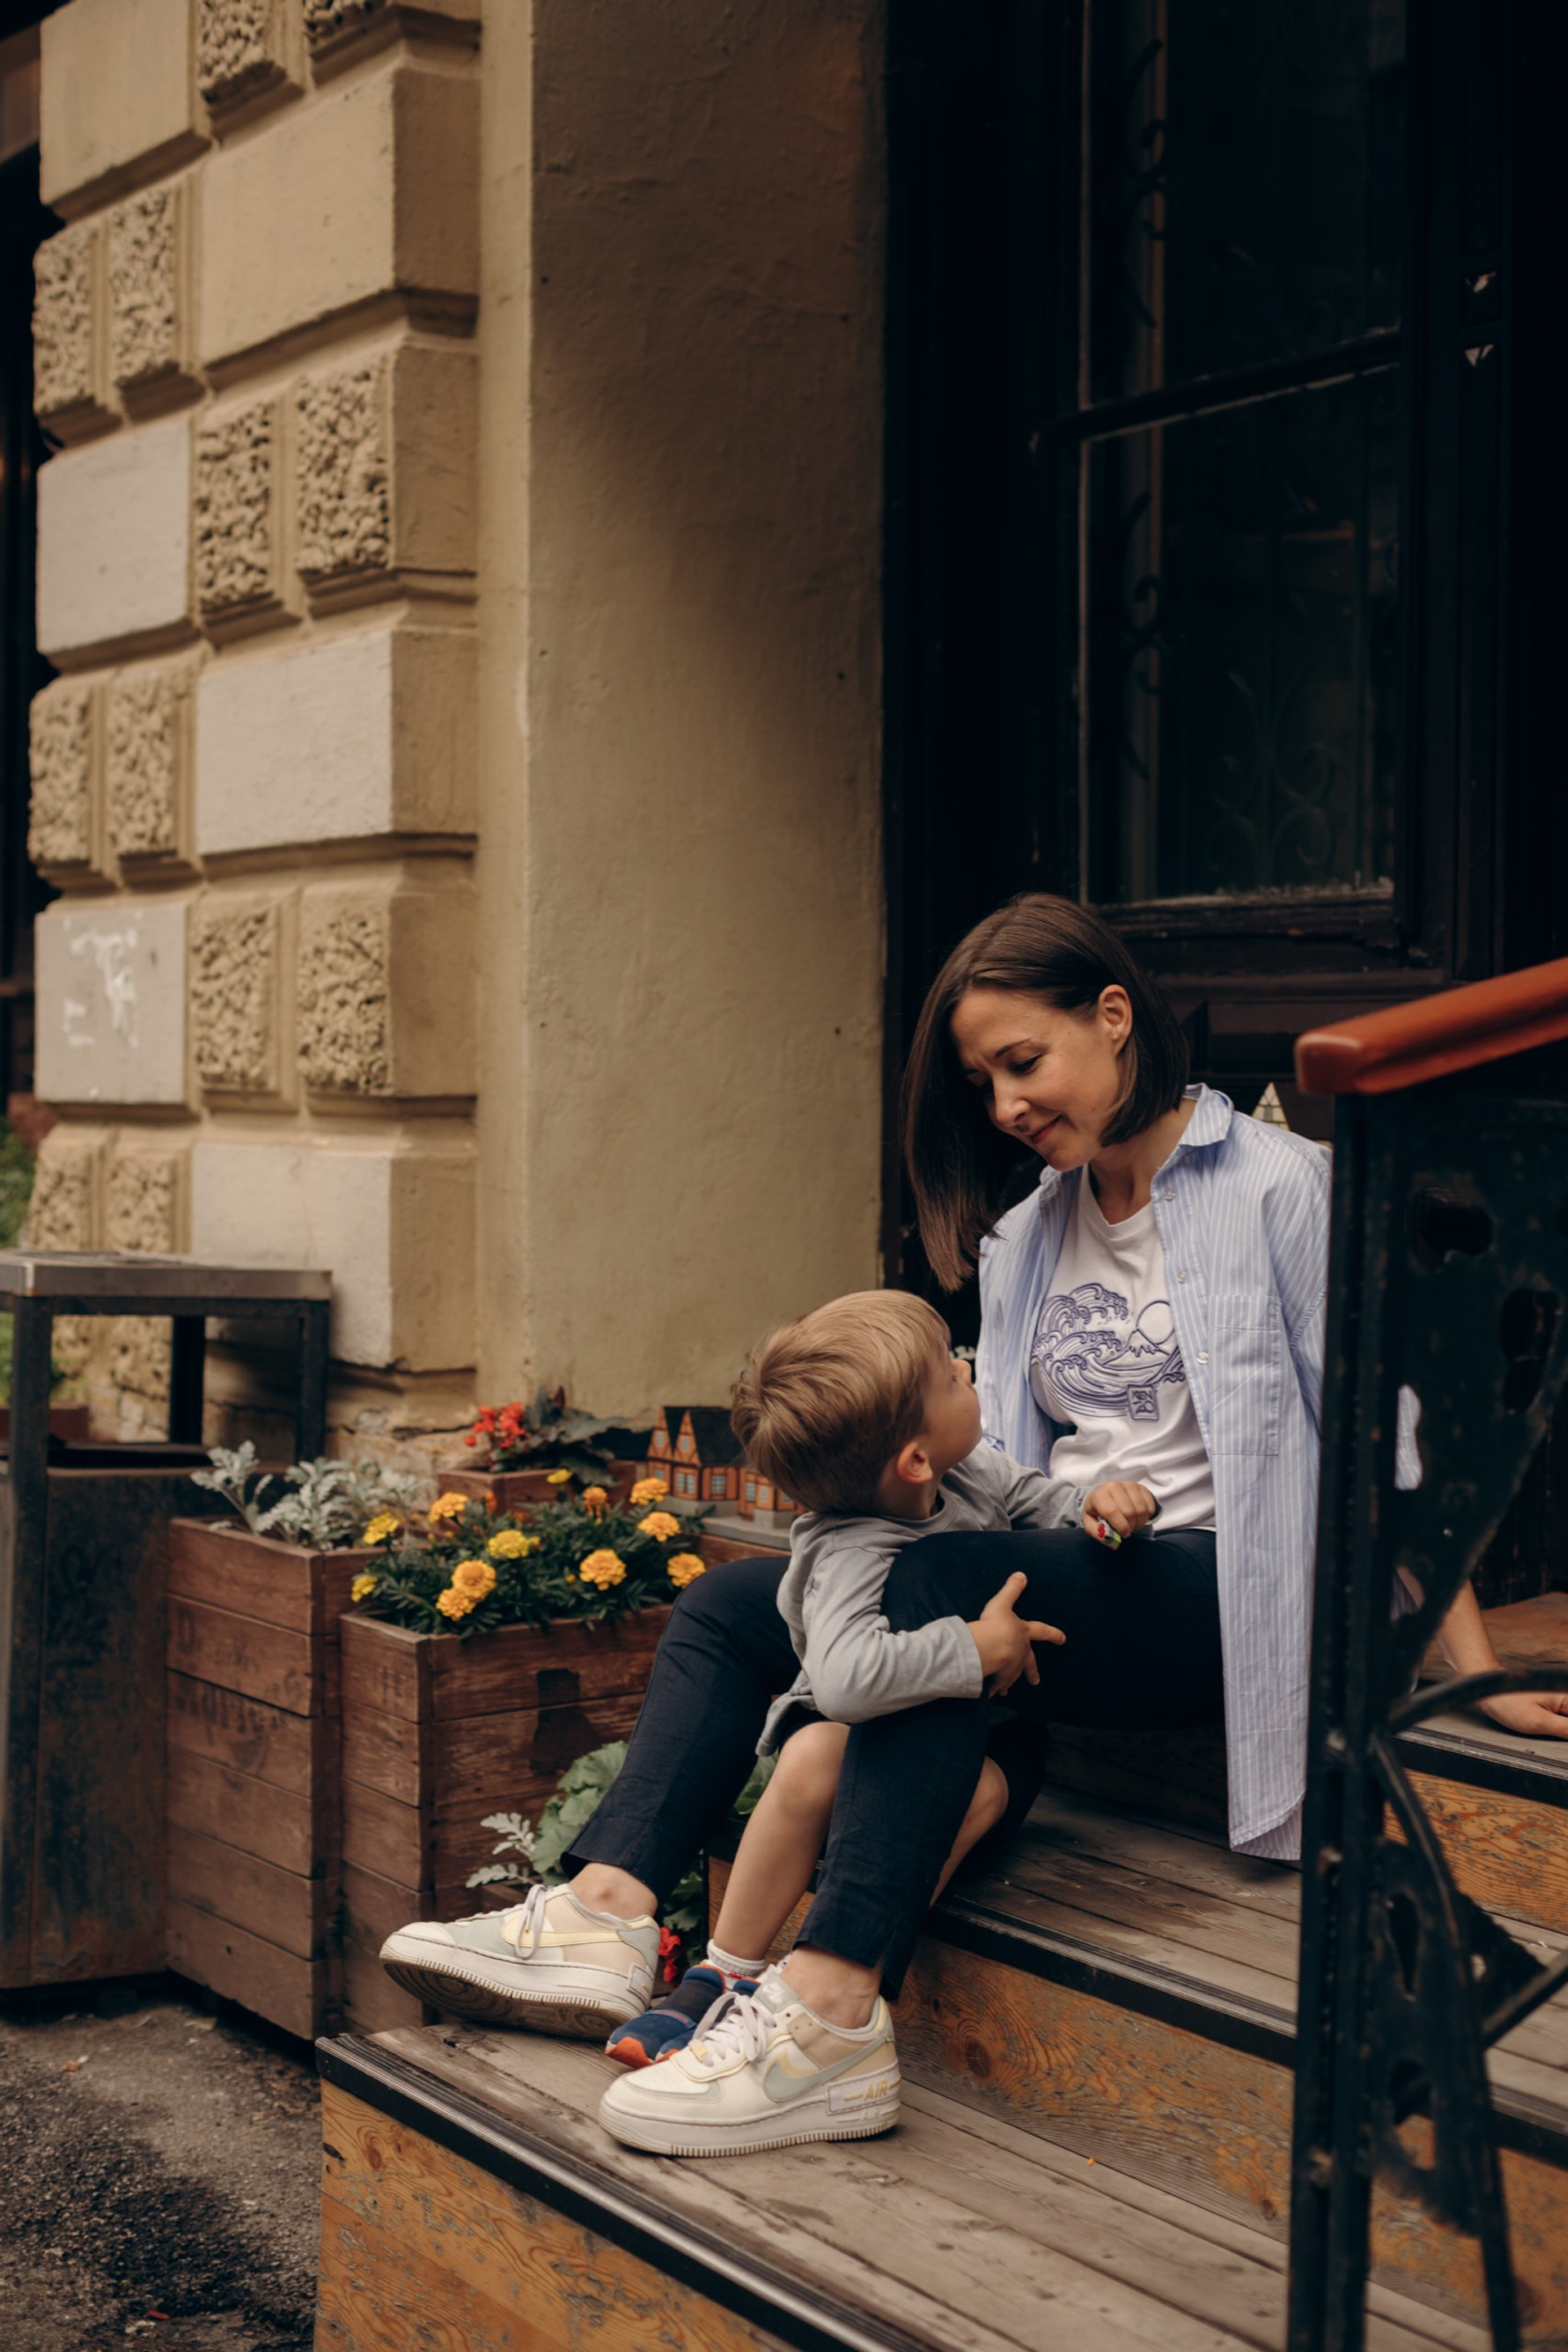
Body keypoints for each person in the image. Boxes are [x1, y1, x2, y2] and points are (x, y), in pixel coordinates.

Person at [379, 892, 1568, 2158]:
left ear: (1113, 1019)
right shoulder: (1028, 1232)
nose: (1004, 1105)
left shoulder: (1284, 1189)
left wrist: (1475, 1678)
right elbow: (982, 1463)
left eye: (1023, 1062)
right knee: (737, 1604)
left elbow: (1388, 1467)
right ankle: (605, 1913)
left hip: (1227, 1596)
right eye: (983, 1080)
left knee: (930, 1587)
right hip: (1062, 1572)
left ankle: (832, 2003)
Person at [595, 1290, 1154, 2088]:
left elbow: (1046, 1504)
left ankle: (805, 1980)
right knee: (813, 1753)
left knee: (980, 1793)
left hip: (993, 1747)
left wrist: (1100, 1504)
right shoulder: (849, 1545)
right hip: (870, 1746)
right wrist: (972, 1644)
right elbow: (846, 1679)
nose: (966, 1370)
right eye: (949, 1378)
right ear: (914, 1460)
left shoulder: (974, 1474)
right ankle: (722, 1974)